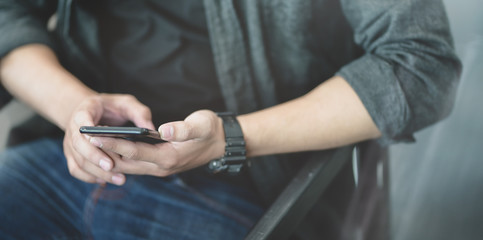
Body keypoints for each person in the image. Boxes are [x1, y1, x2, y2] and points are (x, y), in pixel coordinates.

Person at [0, 0, 461, 239]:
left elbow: (420, 63)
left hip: (251, 188)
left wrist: (230, 138)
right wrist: (78, 109)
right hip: (63, 164)